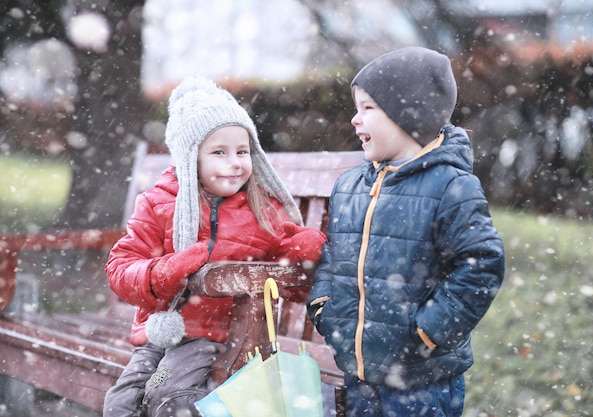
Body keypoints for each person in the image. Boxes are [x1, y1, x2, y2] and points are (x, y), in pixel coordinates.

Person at [103, 77, 326, 417]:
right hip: (157, 337)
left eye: (242, 151)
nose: (235, 162)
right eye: (219, 152)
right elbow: (121, 267)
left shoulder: (260, 210)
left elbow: (287, 272)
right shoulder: (158, 204)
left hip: (218, 337)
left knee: (167, 396)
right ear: (191, 159)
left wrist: (302, 250)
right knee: (121, 402)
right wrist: (162, 273)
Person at [307, 46, 505, 417]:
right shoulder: (350, 185)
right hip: (360, 374)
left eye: (368, 108)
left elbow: (481, 265)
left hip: (421, 380)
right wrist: (323, 307)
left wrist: (429, 332)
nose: (354, 119)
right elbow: (334, 256)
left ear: (407, 116)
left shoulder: (450, 186)